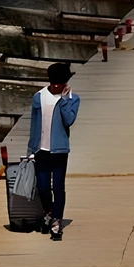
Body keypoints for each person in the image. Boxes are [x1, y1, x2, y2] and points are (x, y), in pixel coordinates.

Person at [27, 63, 80, 241]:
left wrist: (64, 101)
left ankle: (57, 220)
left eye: (60, 83)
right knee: (42, 186)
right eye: (54, 82)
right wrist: (30, 149)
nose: (57, 86)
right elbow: (34, 125)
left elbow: (69, 120)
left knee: (58, 187)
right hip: (40, 150)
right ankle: (48, 212)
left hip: (60, 150)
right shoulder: (38, 97)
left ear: (66, 82)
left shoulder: (73, 98)